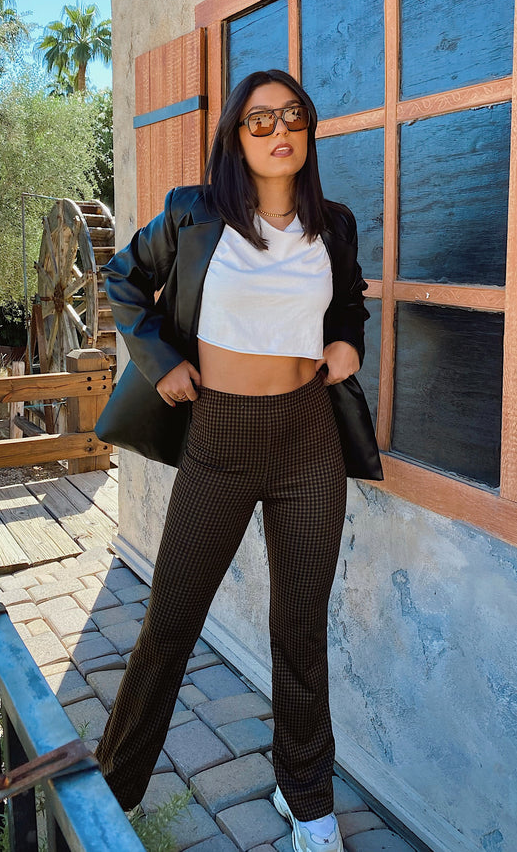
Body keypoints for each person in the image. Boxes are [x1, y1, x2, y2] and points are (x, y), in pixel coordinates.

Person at [95, 68, 382, 852]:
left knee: (300, 628)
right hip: (219, 439)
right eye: (260, 120)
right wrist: (161, 361)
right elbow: (123, 277)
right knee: (170, 623)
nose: (279, 130)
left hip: (307, 440)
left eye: (293, 115)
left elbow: (349, 300)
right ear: (235, 136)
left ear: (309, 129)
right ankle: (111, 792)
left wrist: (347, 341)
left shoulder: (334, 224)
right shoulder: (194, 213)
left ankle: (307, 798)